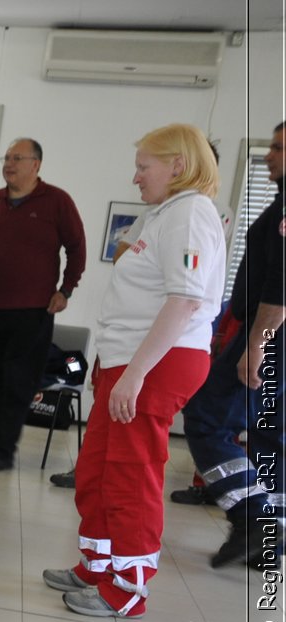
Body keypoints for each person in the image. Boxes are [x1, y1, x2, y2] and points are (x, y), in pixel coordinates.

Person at [42, 123, 225, 618]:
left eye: (145, 166)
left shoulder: (190, 213)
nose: (136, 177)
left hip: (157, 362)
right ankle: (97, 565)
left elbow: (186, 300)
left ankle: (128, 589)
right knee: (98, 467)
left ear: (178, 167)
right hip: (130, 359)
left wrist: (136, 373)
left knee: (130, 472)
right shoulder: (165, 213)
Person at [180, 121, 284, 569]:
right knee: (270, 437)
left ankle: (253, 517)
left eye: (279, 149)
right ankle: (269, 543)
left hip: (270, 335)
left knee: (205, 418)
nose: (269, 156)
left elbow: (280, 287)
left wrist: (257, 343)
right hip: (269, 333)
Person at [0, 138, 87, 472]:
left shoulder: (56, 202)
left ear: (36, 164)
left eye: (17, 158)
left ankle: (1, 450)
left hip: (33, 312)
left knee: (17, 383)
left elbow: (77, 248)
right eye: (7, 158)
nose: (9, 164)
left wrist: (66, 290)